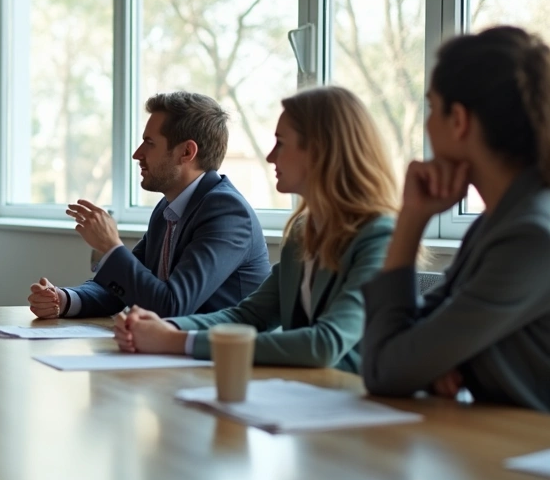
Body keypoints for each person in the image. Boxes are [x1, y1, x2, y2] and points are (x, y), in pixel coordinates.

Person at [113, 86, 398, 371]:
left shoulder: (380, 237)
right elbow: (248, 316)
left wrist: (175, 341)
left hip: (359, 404)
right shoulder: (303, 232)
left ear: (320, 152)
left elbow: (324, 345)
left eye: (281, 143)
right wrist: (164, 327)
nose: (270, 157)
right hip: (307, 395)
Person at [362, 26, 550, 411]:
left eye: (432, 108)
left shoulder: (530, 236)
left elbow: (385, 368)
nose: (428, 125)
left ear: (459, 120)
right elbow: (407, 345)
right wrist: (426, 360)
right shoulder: (499, 221)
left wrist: (411, 220)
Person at [27, 91, 270, 319]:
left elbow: (171, 306)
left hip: (224, 359)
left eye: (149, 143)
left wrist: (111, 247)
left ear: (186, 152)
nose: (137, 154)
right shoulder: (168, 209)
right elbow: (125, 289)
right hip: (175, 353)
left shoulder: (227, 212)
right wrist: (65, 299)